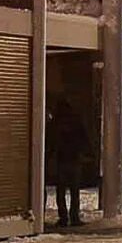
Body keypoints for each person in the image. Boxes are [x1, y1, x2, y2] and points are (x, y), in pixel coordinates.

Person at [46, 98, 90, 229]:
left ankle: (63, 217)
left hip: (62, 160)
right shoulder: (76, 122)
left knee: (61, 191)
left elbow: (51, 142)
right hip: (74, 160)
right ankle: (74, 217)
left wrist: (49, 157)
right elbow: (84, 139)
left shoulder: (56, 123)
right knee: (74, 191)